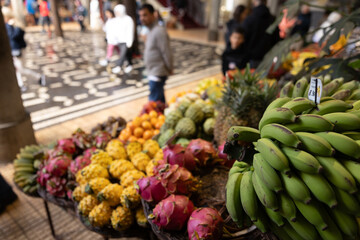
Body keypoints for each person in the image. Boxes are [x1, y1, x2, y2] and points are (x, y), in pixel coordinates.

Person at [3, 7, 45, 91]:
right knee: (17, 68)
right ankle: (20, 84)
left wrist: (10, 26)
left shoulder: (12, 25)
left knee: (20, 69)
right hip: (15, 50)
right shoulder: (10, 25)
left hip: (17, 50)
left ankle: (38, 76)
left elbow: (14, 36)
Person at [139, 4, 173, 103]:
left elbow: (166, 52)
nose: (142, 18)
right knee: (160, 103)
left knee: (153, 104)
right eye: (140, 16)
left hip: (157, 73)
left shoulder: (159, 31)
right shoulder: (150, 30)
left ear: (153, 15)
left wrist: (170, 68)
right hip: (153, 72)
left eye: (145, 15)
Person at [241, 0, 279, 68]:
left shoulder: (249, 19)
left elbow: (242, 39)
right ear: (266, 2)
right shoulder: (273, 19)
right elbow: (276, 40)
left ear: (255, 2)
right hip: (267, 59)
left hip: (249, 59)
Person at [110, 4, 134, 74]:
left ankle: (119, 66)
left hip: (126, 40)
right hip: (119, 40)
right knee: (126, 54)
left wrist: (130, 41)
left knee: (122, 54)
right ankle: (129, 65)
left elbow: (130, 31)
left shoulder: (128, 19)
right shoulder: (116, 20)